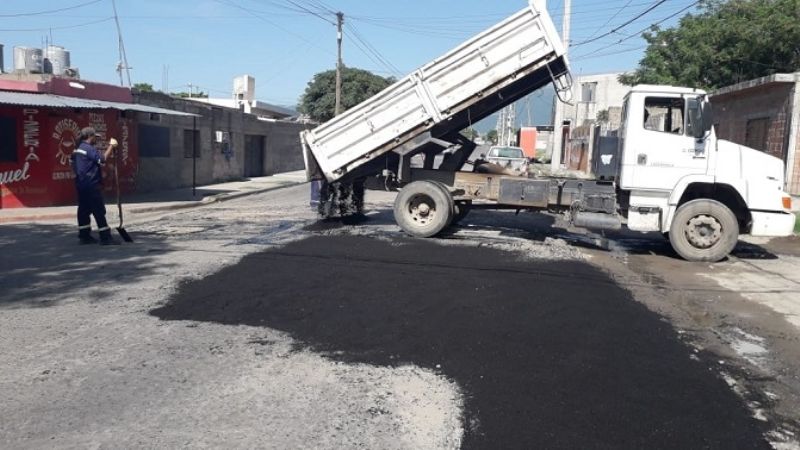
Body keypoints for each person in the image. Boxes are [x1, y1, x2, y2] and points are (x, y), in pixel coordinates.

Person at [71, 127, 119, 245]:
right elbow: (102, 160)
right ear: (89, 137)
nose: (95, 140)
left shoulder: (77, 149)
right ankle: (105, 238)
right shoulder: (88, 148)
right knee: (98, 210)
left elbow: (72, 164)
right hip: (91, 185)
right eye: (94, 137)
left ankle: (84, 236)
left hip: (81, 184)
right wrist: (111, 146)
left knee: (84, 210)